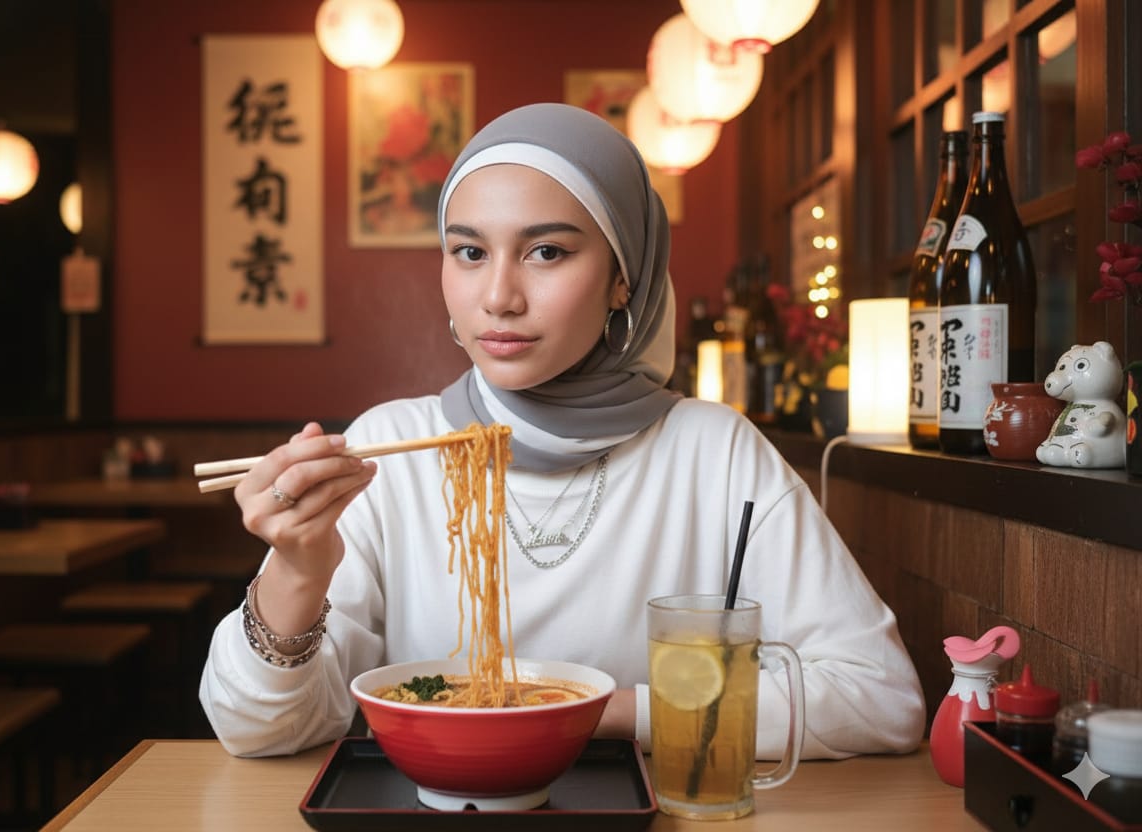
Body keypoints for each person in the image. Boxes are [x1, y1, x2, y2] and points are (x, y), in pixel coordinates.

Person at [200, 102, 926, 759]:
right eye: (470, 252)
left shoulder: (713, 451)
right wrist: (299, 571)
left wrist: (594, 711)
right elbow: (256, 728)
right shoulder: (391, 449)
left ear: (623, 276)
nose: (499, 297)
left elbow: (881, 699)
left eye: (546, 251)